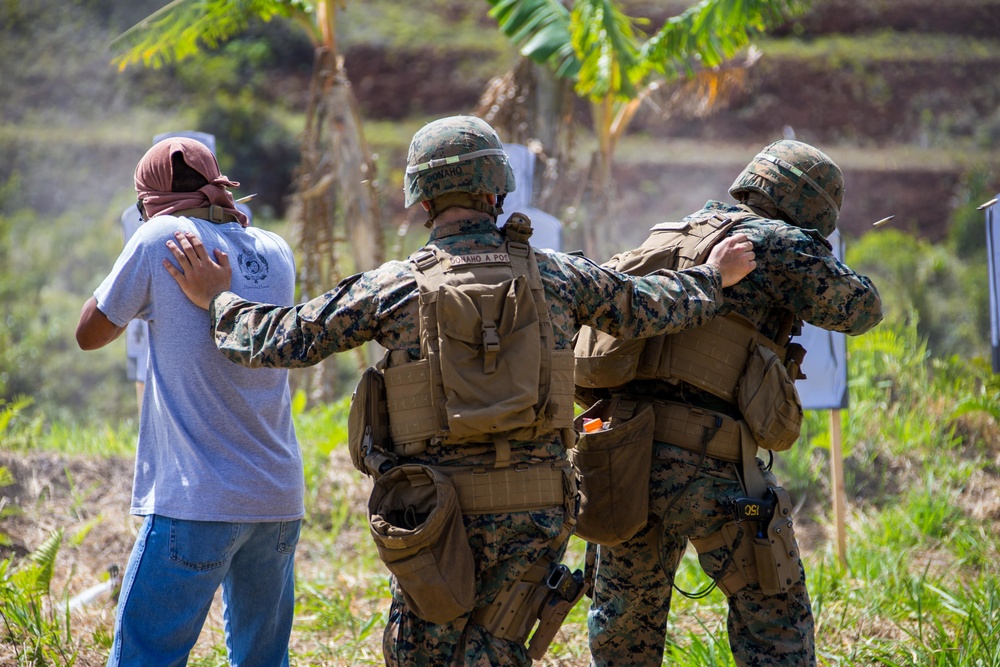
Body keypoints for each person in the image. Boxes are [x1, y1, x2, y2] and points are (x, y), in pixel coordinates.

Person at [162, 114, 756, 667]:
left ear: (421, 198)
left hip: (433, 514)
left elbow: (280, 340)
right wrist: (714, 276)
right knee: (500, 649)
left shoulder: (394, 286)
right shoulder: (558, 274)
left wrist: (218, 297)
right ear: (496, 191)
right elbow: (650, 308)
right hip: (537, 510)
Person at [573, 139, 884, 667]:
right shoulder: (776, 241)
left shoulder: (675, 231)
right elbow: (862, 308)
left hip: (621, 450)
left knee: (624, 625)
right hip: (707, 461)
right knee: (774, 618)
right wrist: (810, 254)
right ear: (811, 208)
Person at [75, 137, 302, 667]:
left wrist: (132, 254)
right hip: (277, 500)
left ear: (149, 201)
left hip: (198, 498)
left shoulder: (159, 237)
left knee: (145, 658)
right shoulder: (275, 248)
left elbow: (90, 332)